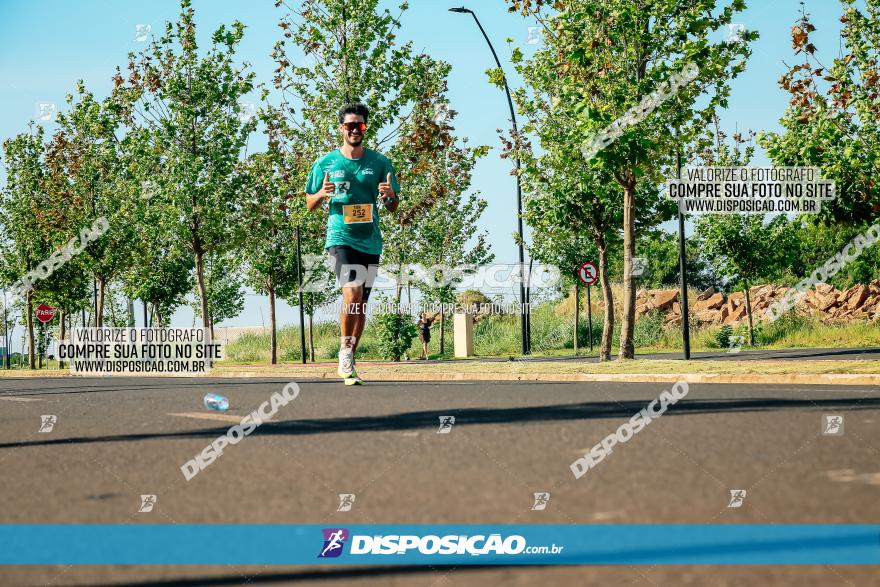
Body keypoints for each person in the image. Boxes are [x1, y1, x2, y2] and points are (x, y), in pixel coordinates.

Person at [305, 103, 400, 385]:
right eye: (350, 125)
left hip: (370, 241)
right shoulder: (325, 163)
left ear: (365, 128)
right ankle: (345, 351)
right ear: (341, 129)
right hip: (340, 238)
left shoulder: (380, 163)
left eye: (360, 125)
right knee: (353, 291)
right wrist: (321, 193)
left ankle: (349, 356)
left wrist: (389, 197)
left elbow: (393, 206)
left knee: (360, 304)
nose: (355, 130)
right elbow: (309, 203)